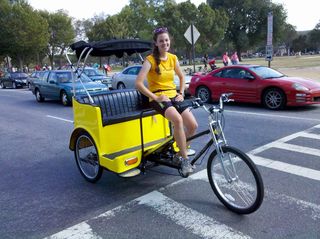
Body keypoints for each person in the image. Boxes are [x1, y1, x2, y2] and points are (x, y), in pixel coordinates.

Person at [135, 27, 198, 175]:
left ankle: (178, 154)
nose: (165, 43)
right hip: (159, 97)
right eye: (161, 41)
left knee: (193, 126)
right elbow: (138, 83)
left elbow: (182, 78)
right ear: (156, 43)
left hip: (173, 96)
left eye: (167, 40)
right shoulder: (150, 60)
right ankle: (184, 160)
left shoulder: (173, 58)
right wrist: (155, 97)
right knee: (178, 120)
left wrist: (181, 93)